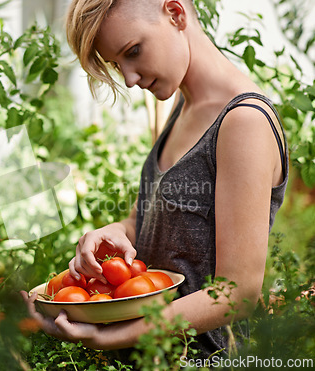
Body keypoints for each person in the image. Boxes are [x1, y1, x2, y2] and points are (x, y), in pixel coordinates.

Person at [21, 0, 288, 360]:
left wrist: (112, 336)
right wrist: (114, 232)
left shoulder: (244, 122)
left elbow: (236, 294)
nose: (130, 78)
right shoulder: (183, 108)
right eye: (118, 64)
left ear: (175, 13)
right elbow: (143, 221)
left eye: (133, 51)